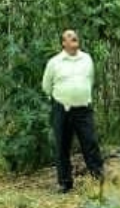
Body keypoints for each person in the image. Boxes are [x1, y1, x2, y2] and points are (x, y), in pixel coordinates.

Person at [41, 28, 104, 193]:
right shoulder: (54, 62)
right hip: (62, 109)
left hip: (83, 109)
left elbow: (90, 80)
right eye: (69, 36)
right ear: (64, 43)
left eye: (74, 35)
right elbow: (46, 86)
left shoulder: (87, 59)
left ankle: (98, 179)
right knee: (62, 145)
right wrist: (59, 100)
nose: (73, 36)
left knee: (90, 143)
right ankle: (64, 183)